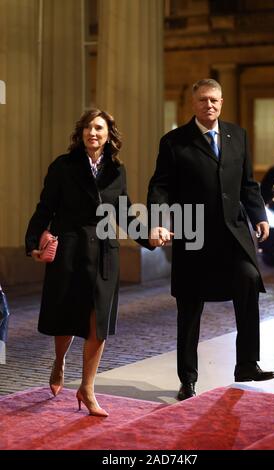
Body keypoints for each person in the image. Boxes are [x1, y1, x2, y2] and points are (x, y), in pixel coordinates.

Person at [147, 78, 274, 401]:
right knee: (190, 307)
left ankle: (247, 363)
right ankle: (188, 379)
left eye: (215, 100)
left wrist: (258, 215)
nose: (210, 105)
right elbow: (160, 187)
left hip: (233, 234)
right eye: (204, 100)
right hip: (193, 234)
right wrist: (158, 221)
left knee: (249, 281)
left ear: (222, 102)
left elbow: (248, 184)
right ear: (193, 103)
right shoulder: (174, 142)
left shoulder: (238, 136)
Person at [25, 108, 151, 416]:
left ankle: (87, 387)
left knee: (99, 322)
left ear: (109, 135)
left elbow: (124, 212)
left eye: (98, 128)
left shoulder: (117, 171)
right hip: (70, 250)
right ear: (81, 133)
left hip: (105, 254)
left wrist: (149, 240)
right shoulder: (63, 167)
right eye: (87, 128)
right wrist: (32, 245)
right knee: (67, 317)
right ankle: (59, 362)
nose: (92, 133)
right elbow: (45, 209)